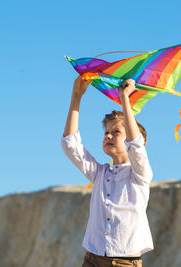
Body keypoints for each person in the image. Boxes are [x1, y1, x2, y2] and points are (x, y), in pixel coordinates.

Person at [61, 76, 154, 267]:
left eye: (116, 132)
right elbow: (70, 144)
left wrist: (124, 99)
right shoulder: (100, 173)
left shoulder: (140, 174)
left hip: (124, 263)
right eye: (106, 132)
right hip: (92, 259)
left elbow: (135, 146)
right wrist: (76, 96)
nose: (108, 135)